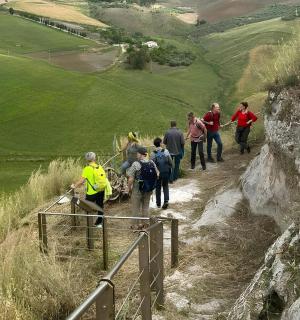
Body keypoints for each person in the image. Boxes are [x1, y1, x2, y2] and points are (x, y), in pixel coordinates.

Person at [71, 152, 109, 228]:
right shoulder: (99, 167)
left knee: (87, 207)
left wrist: (74, 186)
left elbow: (81, 180)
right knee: (100, 206)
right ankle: (99, 223)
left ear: (87, 160)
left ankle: (89, 224)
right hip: (100, 189)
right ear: (94, 158)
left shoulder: (87, 169)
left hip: (92, 192)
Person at [127, 146, 159, 226]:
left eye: (137, 153)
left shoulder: (136, 164)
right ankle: (145, 224)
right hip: (148, 189)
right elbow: (158, 174)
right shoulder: (152, 162)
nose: (136, 155)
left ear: (141, 154)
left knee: (136, 208)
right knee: (145, 207)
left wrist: (129, 188)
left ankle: (135, 225)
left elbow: (131, 178)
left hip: (137, 189)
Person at [150, 137, 172, 209]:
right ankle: (166, 201)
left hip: (157, 173)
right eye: (162, 142)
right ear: (160, 143)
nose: (162, 143)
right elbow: (170, 161)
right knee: (165, 186)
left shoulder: (152, 154)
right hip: (165, 171)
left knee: (158, 187)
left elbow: (151, 164)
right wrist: (170, 167)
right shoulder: (166, 151)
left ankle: (158, 203)